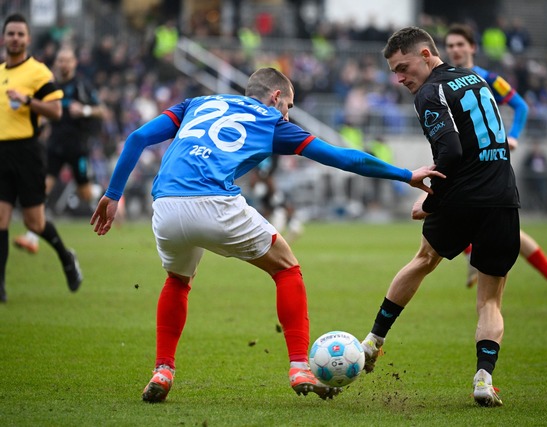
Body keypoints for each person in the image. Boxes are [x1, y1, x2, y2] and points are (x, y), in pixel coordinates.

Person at [90, 67, 443, 403]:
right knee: (287, 268)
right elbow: (343, 158)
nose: (287, 115)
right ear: (276, 97)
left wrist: (113, 194)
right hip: (214, 202)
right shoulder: (271, 121)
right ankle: (299, 367)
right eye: (288, 106)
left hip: (165, 205)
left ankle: (163, 371)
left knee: (178, 281)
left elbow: (137, 137)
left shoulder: (195, 104)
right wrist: (404, 174)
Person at [359, 27, 520, 408]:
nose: (400, 79)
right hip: (502, 197)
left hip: (463, 197)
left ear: (427, 54)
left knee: (424, 259)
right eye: (395, 72)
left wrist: (429, 205)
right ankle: (484, 377)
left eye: (403, 67)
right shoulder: (476, 79)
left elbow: (449, 155)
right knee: (491, 299)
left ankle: (373, 341)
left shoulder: (431, 92)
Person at [444, 24, 547, 317]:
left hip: (488, 163)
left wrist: (512, 135)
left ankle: (472, 256)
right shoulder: (445, 81)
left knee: (453, 211)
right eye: (450, 45)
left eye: (459, 44)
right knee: (504, 230)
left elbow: (521, 106)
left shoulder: (490, 79)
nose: (454, 50)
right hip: (464, 162)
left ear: (472, 47)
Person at [0, 14, 82, 303]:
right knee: (1, 220)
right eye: (11, 33)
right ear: (3, 37)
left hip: (27, 152)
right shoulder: (0, 73)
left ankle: (66, 257)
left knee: (35, 224)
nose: (15, 39)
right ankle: (0, 288)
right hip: (2, 153)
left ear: (28, 39)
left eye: (20, 34)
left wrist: (27, 101)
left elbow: (57, 111)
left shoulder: (38, 73)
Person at [14, 47, 104, 254]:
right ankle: (31, 238)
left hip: (77, 147)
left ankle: (111, 197)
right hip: (54, 146)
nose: (64, 64)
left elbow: (102, 110)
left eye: (67, 60)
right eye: (60, 60)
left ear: (74, 63)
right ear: (56, 63)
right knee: (42, 188)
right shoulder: (50, 87)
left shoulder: (82, 85)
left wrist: (85, 110)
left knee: (86, 193)